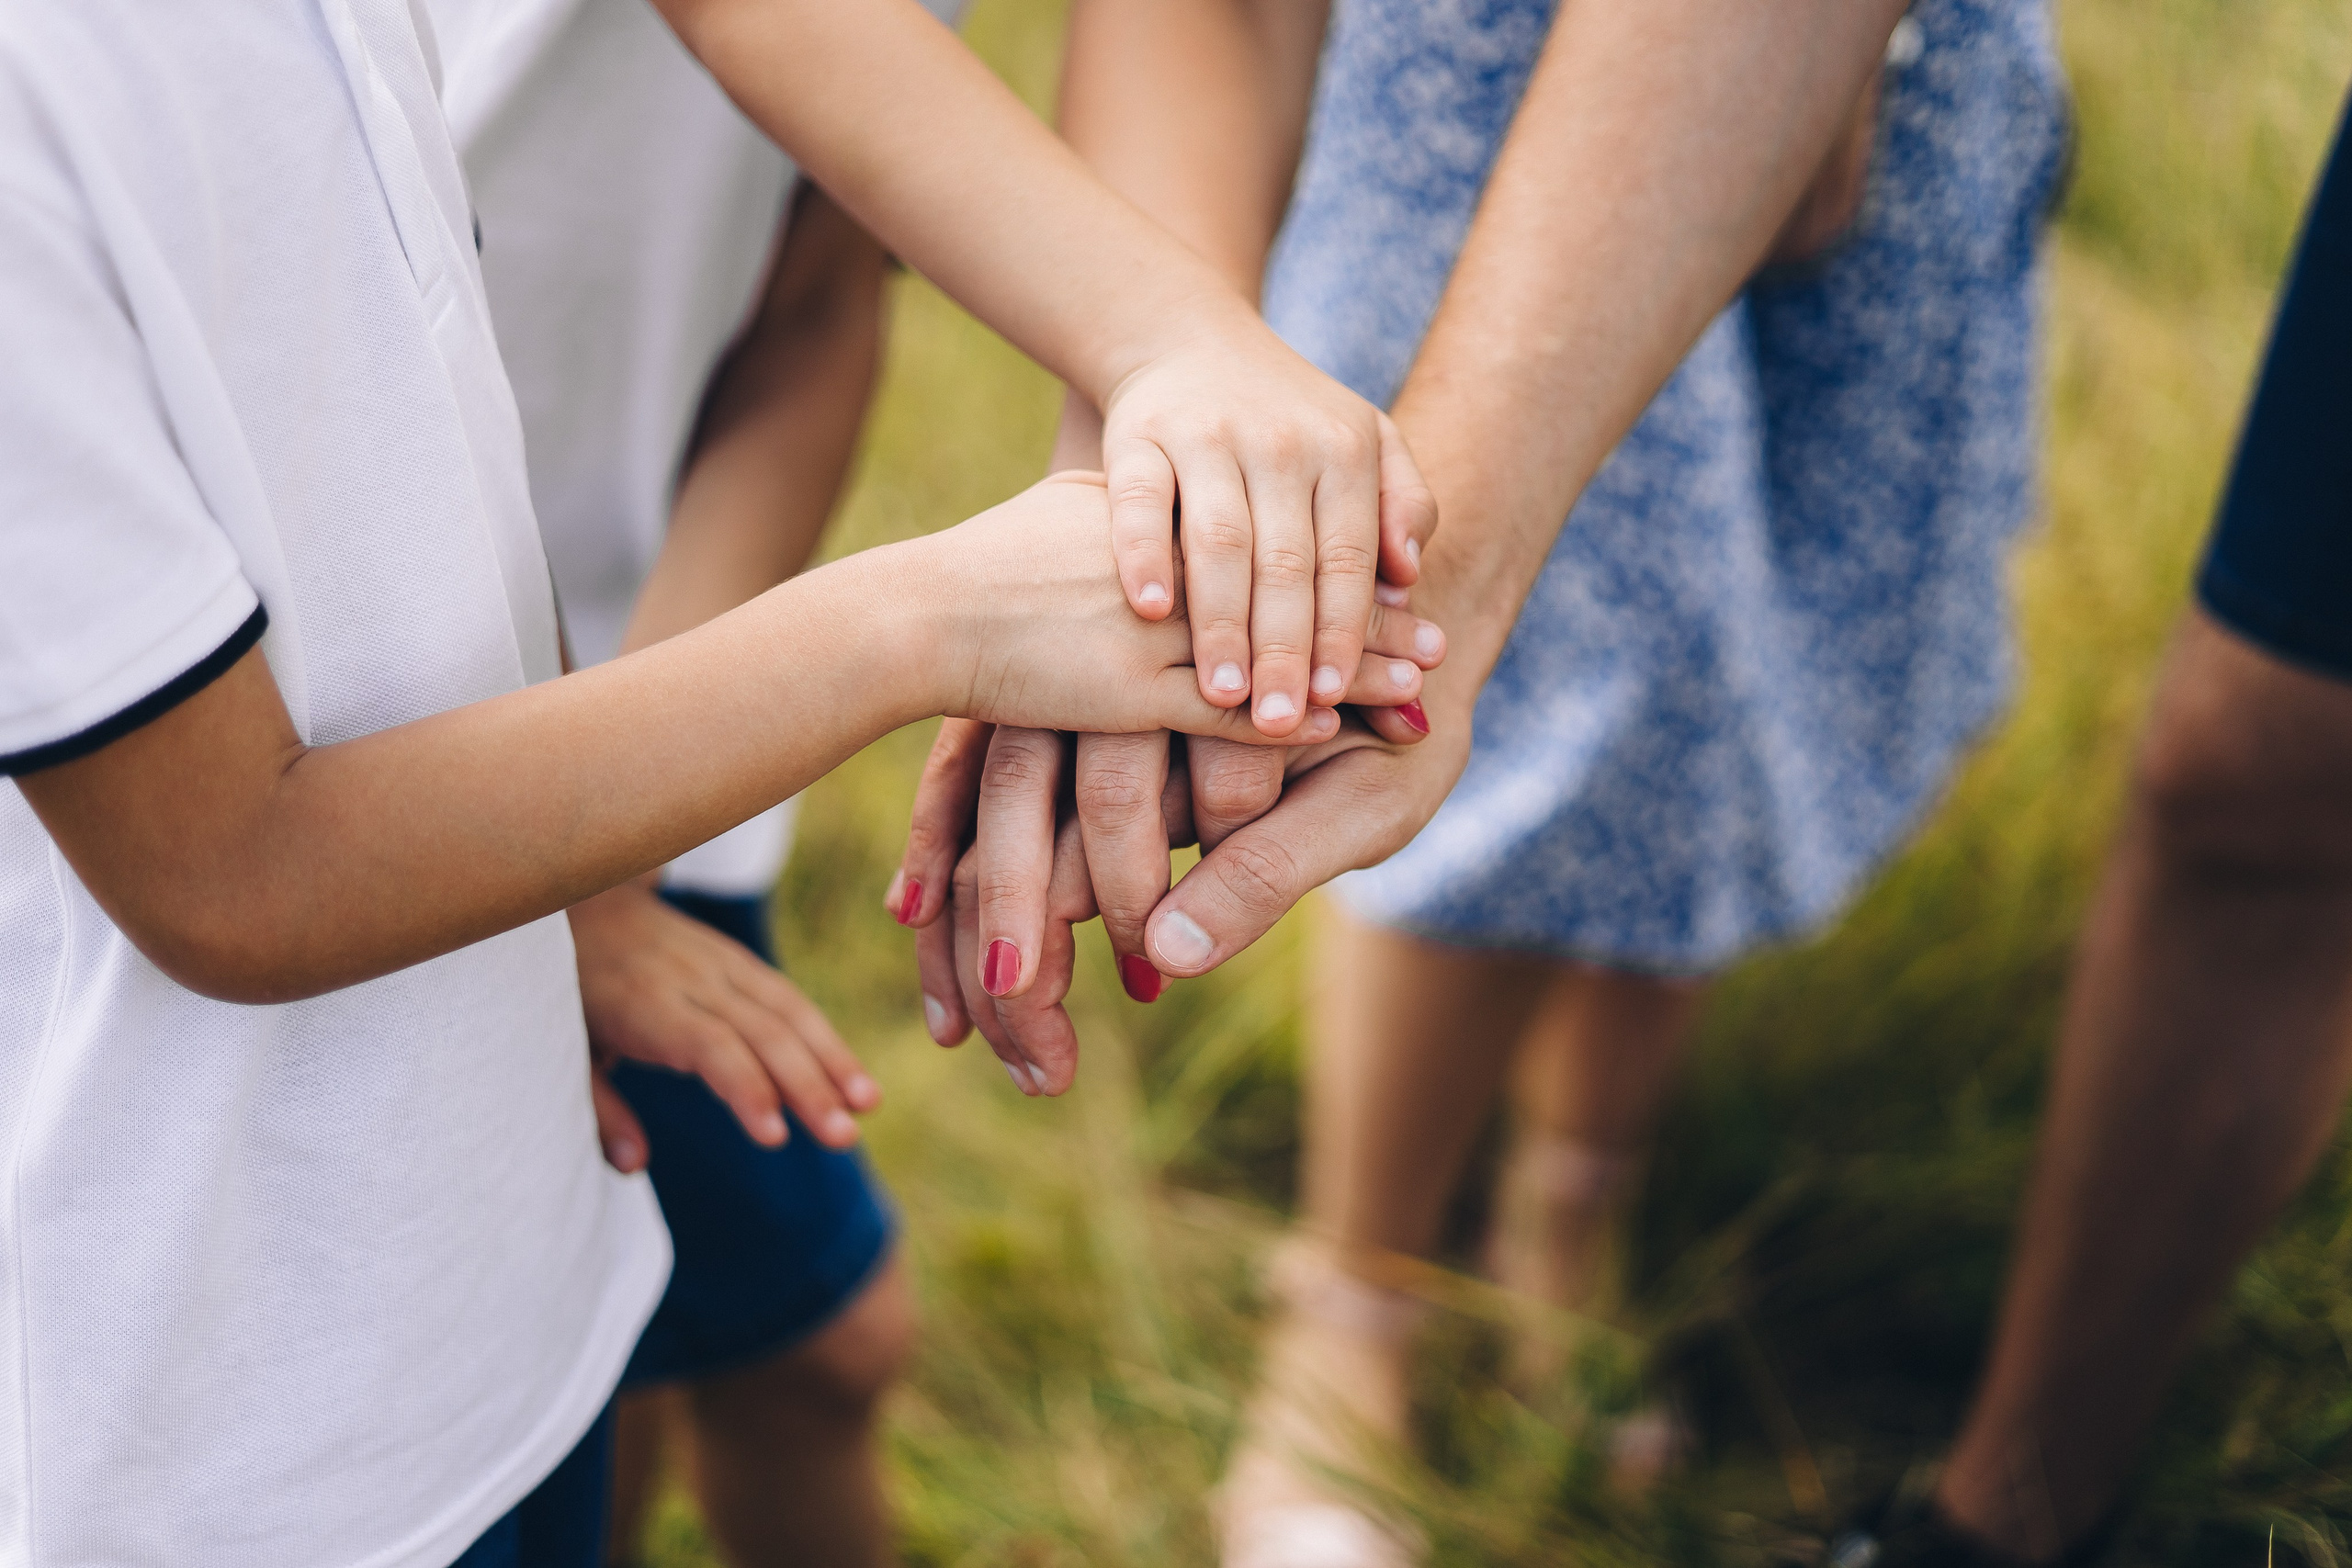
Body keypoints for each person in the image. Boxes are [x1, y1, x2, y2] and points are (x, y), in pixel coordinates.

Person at [0, 1, 1454, 1562]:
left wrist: (597, 883)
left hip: (501, 1166)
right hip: (227, 1383)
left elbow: (561, 430)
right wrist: (940, 617)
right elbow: (235, 869)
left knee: (702, 1351)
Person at [913, 9, 2352, 1568]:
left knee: (1725, 675)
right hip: (1464, 106)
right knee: (1428, 697)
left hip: (1885, 77)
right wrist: (1133, 452)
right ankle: (1357, 1289)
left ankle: (1573, 1198)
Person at [425, 0, 956, 1559]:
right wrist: (567, 850)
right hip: (364, 767)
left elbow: (814, 302)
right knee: (576, 1397)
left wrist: (625, 827)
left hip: (663, 714)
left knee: (747, 1338)